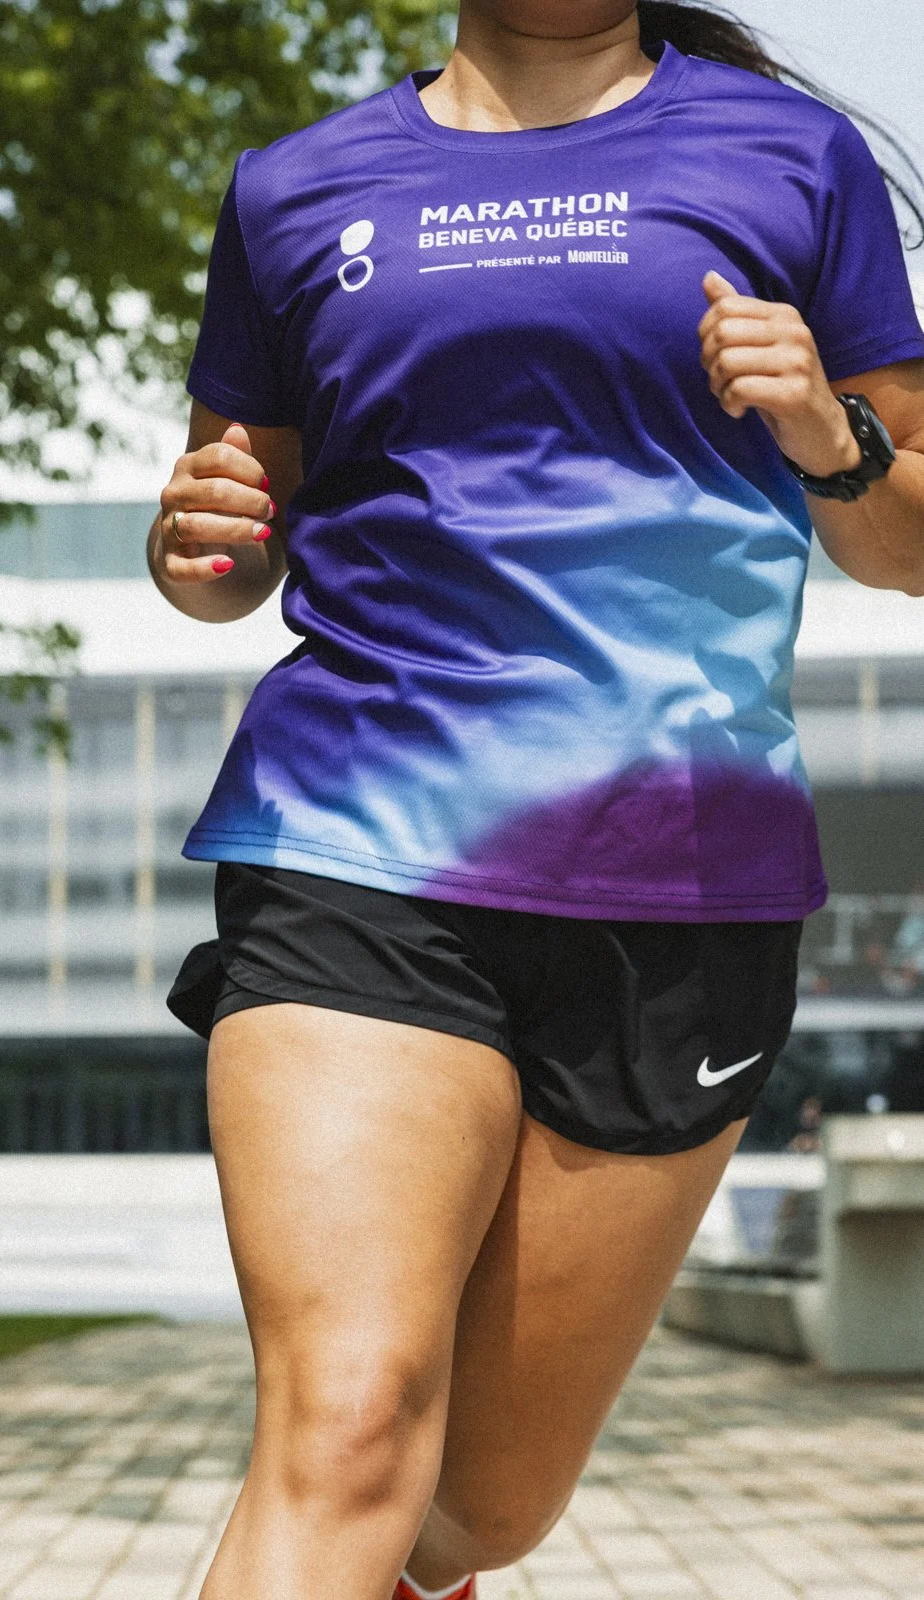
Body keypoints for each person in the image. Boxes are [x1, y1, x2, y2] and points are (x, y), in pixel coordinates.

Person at [148, 2, 924, 1596]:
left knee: (481, 1508)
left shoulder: (792, 158)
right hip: (358, 832)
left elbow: (906, 542)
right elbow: (232, 536)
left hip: (679, 872)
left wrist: (823, 431)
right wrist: (192, 549)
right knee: (351, 1429)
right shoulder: (295, 186)